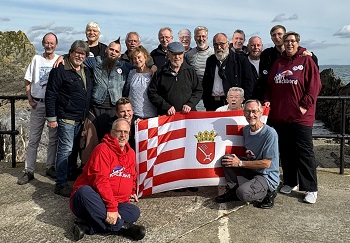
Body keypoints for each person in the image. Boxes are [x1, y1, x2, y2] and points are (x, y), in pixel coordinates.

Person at [264, 31, 321, 204]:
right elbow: (270, 86)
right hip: (281, 116)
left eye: (292, 41)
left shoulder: (306, 61)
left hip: (301, 117)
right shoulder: (278, 63)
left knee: (304, 153)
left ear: (297, 43)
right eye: (286, 41)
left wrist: (304, 105)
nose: (289, 44)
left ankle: (310, 188)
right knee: (286, 151)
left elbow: (314, 85)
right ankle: (290, 181)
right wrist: (266, 100)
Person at [70, 118, 145, 241]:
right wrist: (111, 208)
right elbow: (101, 181)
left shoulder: (130, 153)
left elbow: (132, 175)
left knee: (134, 212)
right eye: (119, 131)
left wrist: (131, 191)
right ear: (112, 133)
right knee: (84, 192)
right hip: (90, 201)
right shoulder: (102, 149)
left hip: (113, 202)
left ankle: (88, 226)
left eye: (126, 132)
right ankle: (124, 228)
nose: (123, 135)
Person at [45, 40, 93, 197]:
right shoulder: (60, 69)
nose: (80, 56)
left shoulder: (85, 69)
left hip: (80, 118)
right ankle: (60, 184)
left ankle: (70, 174)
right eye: (77, 52)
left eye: (83, 53)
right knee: (65, 150)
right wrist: (51, 118)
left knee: (73, 150)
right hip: (66, 118)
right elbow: (51, 94)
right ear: (71, 53)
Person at [215, 99, 280, 209]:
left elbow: (266, 164)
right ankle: (232, 190)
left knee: (243, 194)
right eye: (248, 111)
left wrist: (239, 163)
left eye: (254, 111)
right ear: (244, 113)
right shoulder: (246, 130)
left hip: (266, 175)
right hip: (253, 169)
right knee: (226, 160)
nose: (251, 115)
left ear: (261, 113)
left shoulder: (270, 134)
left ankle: (269, 192)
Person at [17, 33, 59, 185]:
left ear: (56, 45)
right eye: (47, 43)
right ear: (43, 44)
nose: (49, 45)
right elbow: (27, 80)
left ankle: (50, 167)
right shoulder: (36, 59)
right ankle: (28, 171)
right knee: (34, 138)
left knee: (53, 139)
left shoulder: (59, 60)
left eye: (52, 43)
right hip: (38, 103)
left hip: (53, 105)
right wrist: (29, 98)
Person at [257, 25, 318, 102]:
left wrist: (312, 55)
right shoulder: (266, 54)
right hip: (273, 97)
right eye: (273, 35)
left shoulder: (301, 53)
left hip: (296, 97)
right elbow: (264, 78)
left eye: (279, 34)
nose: (276, 37)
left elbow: (313, 78)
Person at [202, 33, 254, 111]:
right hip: (212, 104)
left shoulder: (241, 60)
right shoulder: (210, 60)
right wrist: (206, 101)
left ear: (228, 44)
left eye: (221, 44)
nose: (219, 47)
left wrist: (242, 102)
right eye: (215, 44)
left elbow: (249, 83)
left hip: (233, 105)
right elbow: (206, 83)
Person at [148, 42, 203, 116]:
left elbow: (198, 91)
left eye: (180, 54)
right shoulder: (160, 73)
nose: (177, 57)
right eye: (174, 54)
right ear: (168, 54)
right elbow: (152, 93)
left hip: (188, 115)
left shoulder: (190, 71)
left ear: (183, 54)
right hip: (167, 116)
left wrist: (190, 104)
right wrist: (166, 106)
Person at [123, 46, 157, 120]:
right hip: (134, 115)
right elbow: (126, 91)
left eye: (139, 57)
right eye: (134, 58)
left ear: (145, 57)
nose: (137, 60)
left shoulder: (153, 73)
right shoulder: (131, 73)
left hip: (151, 115)